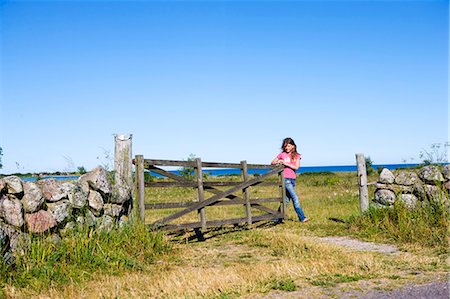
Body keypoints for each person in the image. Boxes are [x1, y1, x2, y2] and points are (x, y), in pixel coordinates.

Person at [272, 137, 309, 223]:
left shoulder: (297, 155)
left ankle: (277, 218)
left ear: (293, 146)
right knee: (295, 198)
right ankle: (302, 217)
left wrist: (286, 163)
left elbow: (296, 167)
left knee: (286, 200)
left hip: (292, 179)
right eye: (285, 146)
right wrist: (279, 161)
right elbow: (273, 162)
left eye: (288, 146)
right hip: (285, 179)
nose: (287, 148)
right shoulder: (282, 154)